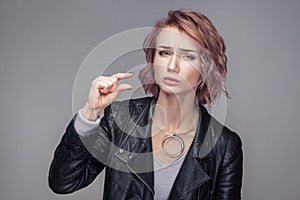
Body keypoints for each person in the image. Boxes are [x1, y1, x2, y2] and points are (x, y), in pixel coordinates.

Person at [48, 9, 243, 200]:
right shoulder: (119, 119)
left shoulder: (224, 146)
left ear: (206, 67)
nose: (172, 66)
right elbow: (63, 183)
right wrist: (89, 113)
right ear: (153, 60)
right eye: (165, 53)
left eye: (187, 56)